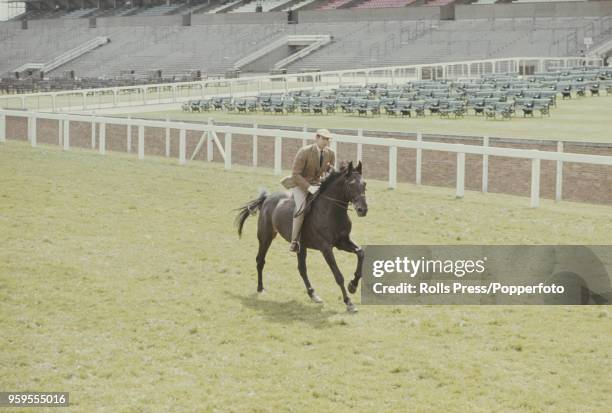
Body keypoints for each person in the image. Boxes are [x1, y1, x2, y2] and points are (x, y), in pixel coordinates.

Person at [280, 128, 336, 253]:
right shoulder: (304, 152)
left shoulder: (330, 153)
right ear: (316, 138)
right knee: (301, 209)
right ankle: (294, 241)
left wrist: (328, 177)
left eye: (327, 139)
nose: (325, 141)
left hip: (317, 185)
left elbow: (329, 171)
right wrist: (309, 188)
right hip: (301, 185)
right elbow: (295, 174)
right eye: (323, 138)